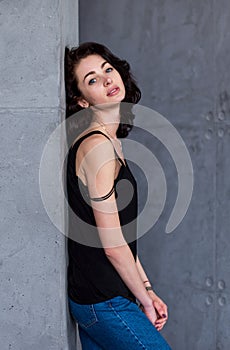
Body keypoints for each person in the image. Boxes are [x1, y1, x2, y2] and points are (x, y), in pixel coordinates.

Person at [65, 42, 172, 350]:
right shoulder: (97, 149)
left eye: (107, 69)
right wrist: (145, 303)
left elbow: (121, 236)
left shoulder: (111, 142)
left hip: (104, 298)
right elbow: (112, 247)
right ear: (82, 101)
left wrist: (147, 289)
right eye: (92, 80)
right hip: (103, 301)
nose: (107, 79)